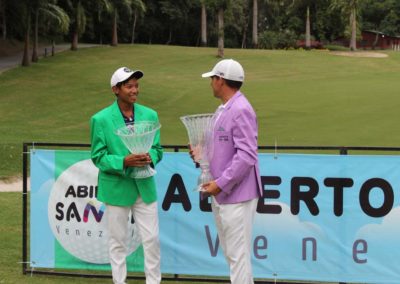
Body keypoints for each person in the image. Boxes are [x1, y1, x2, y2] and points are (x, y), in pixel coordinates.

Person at [90, 67, 163, 284]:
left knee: (152, 240)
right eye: (129, 86)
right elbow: (98, 157)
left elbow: (158, 149)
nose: (134, 90)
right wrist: (124, 161)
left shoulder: (150, 115)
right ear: (115, 89)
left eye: (136, 86)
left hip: (145, 187)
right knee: (117, 242)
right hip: (117, 188)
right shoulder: (100, 119)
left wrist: (150, 156)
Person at [198, 59, 263, 284]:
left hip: (236, 193)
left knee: (237, 256)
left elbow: (246, 155)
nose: (211, 84)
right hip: (222, 192)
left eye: (213, 79)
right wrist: (201, 154)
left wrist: (221, 183)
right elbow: (221, 147)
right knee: (233, 255)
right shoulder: (223, 109)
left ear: (221, 80)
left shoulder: (241, 109)